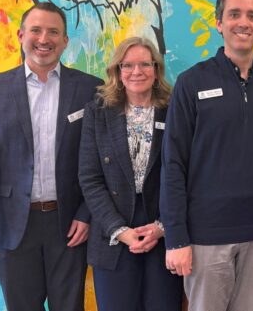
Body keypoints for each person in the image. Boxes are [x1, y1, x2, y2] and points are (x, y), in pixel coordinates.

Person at [160, 0, 253, 311]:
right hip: (206, 234)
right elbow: (173, 163)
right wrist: (176, 237)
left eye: (252, 16)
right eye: (234, 14)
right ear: (219, 23)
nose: (244, 22)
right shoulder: (191, 83)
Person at [0, 2, 103, 310]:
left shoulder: (91, 89)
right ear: (21, 35)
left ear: (65, 41)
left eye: (54, 32)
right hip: (13, 224)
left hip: (69, 226)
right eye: (36, 30)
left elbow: (101, 161)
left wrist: (86, 214)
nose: (45, 39)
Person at [78, 37, 183, 311]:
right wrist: (119, 230)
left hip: (162, 233)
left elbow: (186, 173)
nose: (137, 72)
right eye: (128, 65)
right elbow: (90, 178)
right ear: (117, 71)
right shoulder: (98, 112)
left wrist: (162, 227)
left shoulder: (175, 111)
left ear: (156, 69)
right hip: (113, 234)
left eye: (145, 64)